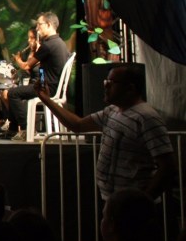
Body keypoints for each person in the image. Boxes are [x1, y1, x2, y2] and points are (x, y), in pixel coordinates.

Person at [34, 63, 175, 201]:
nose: (105, 86)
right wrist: (46, 99)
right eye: (105, 81)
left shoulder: (146, 118)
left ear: (130, 88)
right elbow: (77, 125)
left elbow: (167, 166)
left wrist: (144, 200)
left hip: (131, 203)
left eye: (111, 83)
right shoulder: (112, 111)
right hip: (112, 199)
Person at [2, 12, 69, 141]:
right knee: (15, 92)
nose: (37, 28)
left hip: (47, 88)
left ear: (49, 25)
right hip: (53, 86)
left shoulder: (48, 45)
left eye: (39, 24)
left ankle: (26, 129)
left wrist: (18, 60)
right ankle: (14, 129)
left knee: (12, 93)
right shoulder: (60, 42)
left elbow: (27, 66)